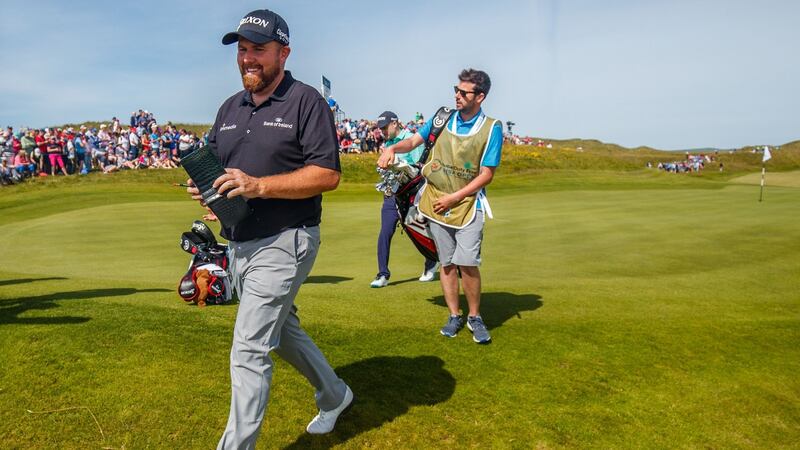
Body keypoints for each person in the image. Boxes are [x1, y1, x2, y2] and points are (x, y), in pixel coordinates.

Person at [185, 9, 353, 448]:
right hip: (240, 242)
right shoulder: (229, 108)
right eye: (242, 50)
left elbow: (327, 175)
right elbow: (223, 169)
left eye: (258, 49)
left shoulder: (306, 102)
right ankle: (335, 395)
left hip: (287, 239)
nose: (247, 59)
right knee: (281, 332)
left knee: (249, 349)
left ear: (283, 52)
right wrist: (208, 188)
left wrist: (257, 185)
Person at [378, 68, 502, 344]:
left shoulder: (492, 128)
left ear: (480, 97)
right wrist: (391, 149)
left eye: (464, 92)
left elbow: (486, 174)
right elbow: (412, 141)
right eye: (455, 90)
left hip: (467, 205)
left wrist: (455, 198)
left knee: (467, 264)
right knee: (446, 264)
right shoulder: (442, 117)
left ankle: (474, 316)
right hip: (435, 200)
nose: (457, 95)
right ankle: (454, 314)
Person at [370, 111, 439, 288]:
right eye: (381, 129)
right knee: (385, 232)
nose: (383, 132)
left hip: (411, 195)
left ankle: (431, 263)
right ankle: (382, 274)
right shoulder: (387, 144)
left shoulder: (410, 139)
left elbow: (419, 168)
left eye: (385, 128)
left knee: (420, 230)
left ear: (395, 123)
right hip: (391, 195)